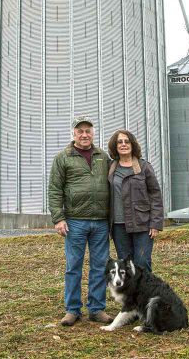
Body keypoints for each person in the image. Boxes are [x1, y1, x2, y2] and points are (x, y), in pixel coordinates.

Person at [48, 116, 113, 326]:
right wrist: (58, 218)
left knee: (99, 266)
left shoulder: (103, 156)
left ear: (93, 133)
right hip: (75, 221)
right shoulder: (63, 157)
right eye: (80, 131)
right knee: (73, 266)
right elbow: (55, 190)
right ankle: (72, 310)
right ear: (74, 134)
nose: (84, 135)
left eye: (88, 131)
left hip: (101, 222)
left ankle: (96, 309)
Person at [107, 129, 164, 272]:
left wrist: (155, 223)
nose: (123, 144)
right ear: (115, 146)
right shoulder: (110, 168)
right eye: (119, 142)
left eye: (127, 141)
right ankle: (130, 294)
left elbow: (155, 194)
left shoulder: (144, 167)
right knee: (126, 265)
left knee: (142, 262)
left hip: (142, 224)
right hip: (119, 226)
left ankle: (145, 294)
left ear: (133, 145)